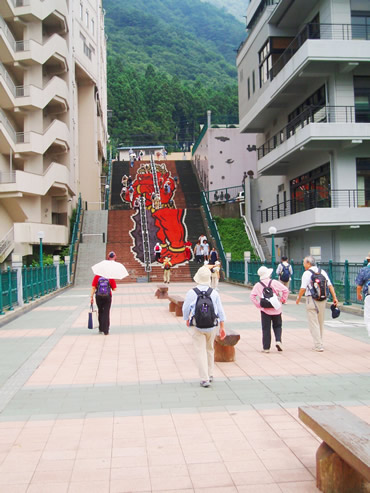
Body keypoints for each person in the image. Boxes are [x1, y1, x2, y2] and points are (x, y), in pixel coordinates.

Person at [182, 266, 226, 387]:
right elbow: (220, 311)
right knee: (210, 349)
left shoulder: (192, 292)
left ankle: (204, 378)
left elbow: (185, 308)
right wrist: (222, 327)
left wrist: (186, 319)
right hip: (212, 326)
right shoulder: (214, 293)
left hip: (197, 325)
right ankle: (211, 373)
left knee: (200, 351)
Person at [296, 256, 338, 351]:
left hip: (311, 299)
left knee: (313, 322)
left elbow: (303, 288)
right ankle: (320, 342)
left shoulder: (307, 273)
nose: (303, 264)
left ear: (308, 264)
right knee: (320, 321)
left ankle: (318, 345)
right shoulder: (322, 271)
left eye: (304, 262)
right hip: (322, 299)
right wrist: (335, 297)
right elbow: (330, 285)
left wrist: (298, 298)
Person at [250, 266, 289, 353]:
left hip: (265, 309)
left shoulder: (258, 285)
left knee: (266, 328)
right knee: (278, 326)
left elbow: (252, 296)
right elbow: (285, 290)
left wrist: (259, 305)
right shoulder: (274, 282)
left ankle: (266, 348)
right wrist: (282, 300)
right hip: (276, 308)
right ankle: (278, 340)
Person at [90, 252, 117, 335]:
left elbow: (93, 287)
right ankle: (106, 330)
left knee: (100, 311)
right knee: (106, 312)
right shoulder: (110, 276)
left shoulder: (97, 276)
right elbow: (114, 288)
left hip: (98, 296)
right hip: (108, 296)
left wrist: (91, 297)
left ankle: (101, 328)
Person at [355, 251, 370, 337]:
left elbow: (359, 286)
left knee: (368, 318)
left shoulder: (364, 270)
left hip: (369, 296)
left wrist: (359, 294)